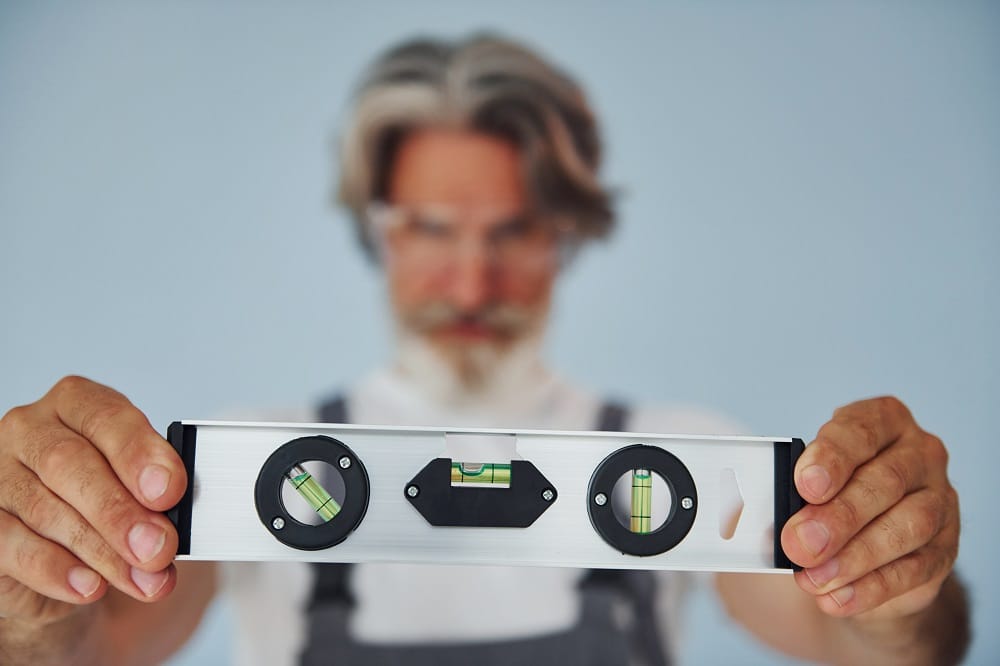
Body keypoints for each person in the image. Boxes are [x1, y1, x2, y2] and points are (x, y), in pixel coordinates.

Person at [0, 34, 969, 665]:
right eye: (429, 228)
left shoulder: (685, 459)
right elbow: (93, 647)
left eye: (512, 231)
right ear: (376, 232)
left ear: (566, 238)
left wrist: (895, 584)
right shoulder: (255, 466)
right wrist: (31, 593)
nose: (470, 284)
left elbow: (869, 650)